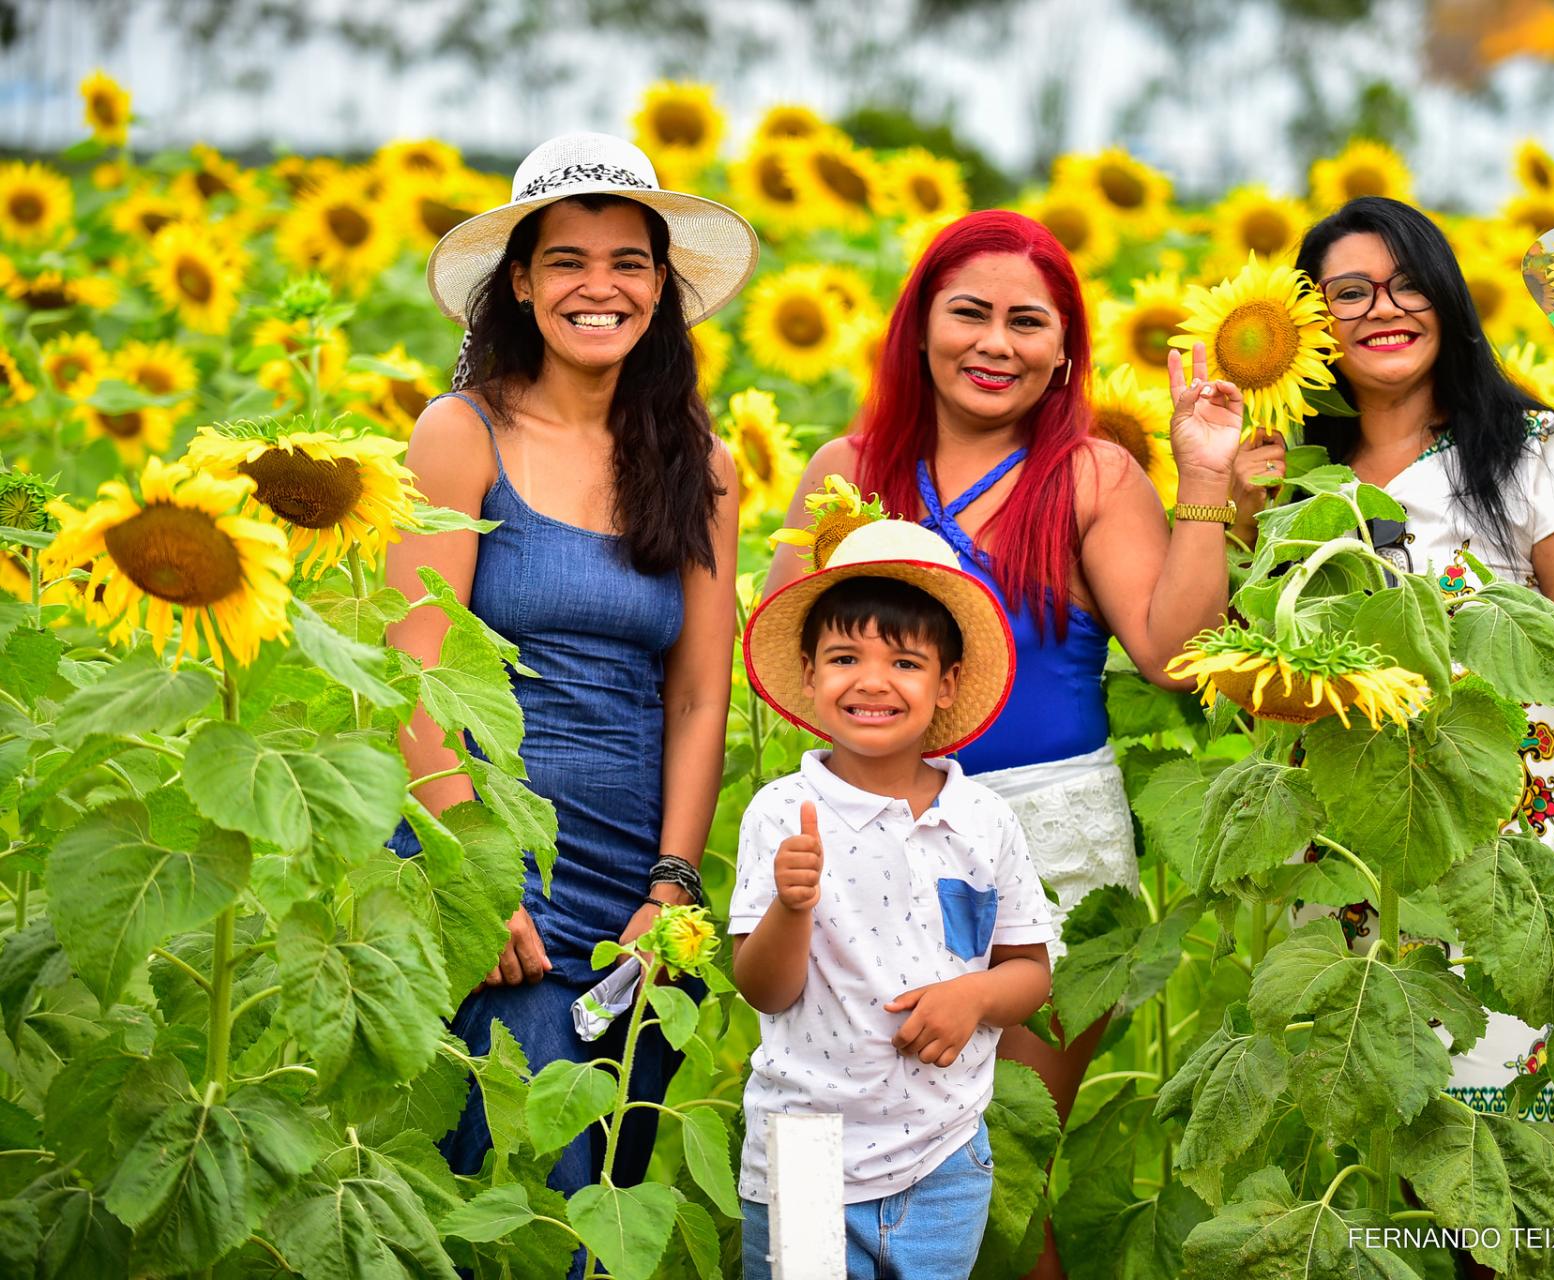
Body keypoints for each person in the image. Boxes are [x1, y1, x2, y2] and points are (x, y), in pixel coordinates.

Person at [763, 213, 1267, 1273]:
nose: (996, 342)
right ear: (919, 326)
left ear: (1065, 349)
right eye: (971, 313)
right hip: (866, 829)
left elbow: (1178, 655)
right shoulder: (848, 467)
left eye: (1027, 322)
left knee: (996, 1165)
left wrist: (1205, 478)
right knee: (834, 1117)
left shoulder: (1089, 475)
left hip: (1042, 844)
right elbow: (787, 665)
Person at [386, 133, 757, 1214]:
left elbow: (697, 692)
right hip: (493, 855)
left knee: (610, 1186)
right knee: (511, 1187)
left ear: (662, 284)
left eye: (628, 262)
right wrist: (472, 869)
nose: (601, 287)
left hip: (635, 883)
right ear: (520, 281)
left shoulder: (701, 463)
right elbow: (417, 666)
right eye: (568, 261)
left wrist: (675, 882)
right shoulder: (462, 434)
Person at [1275, 195, 1554, 1127]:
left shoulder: (1525, 448)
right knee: (1361, 1115)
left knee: (1490, 1144)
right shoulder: (1291, 468)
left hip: (1503, 835)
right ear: (1307, 320)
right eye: (1350, 292)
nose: (1384, 307)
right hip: (1346, 835)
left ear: (1449, 300)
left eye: (1409, 284)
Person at [731, 517, 1054, 1280]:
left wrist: (974, 997)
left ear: (945, 684)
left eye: (904, 662)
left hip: (944, 1150)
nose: (871, 681)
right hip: (805, 1145)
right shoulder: (783, 813)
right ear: (809, 675)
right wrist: (790, 906)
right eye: (845, 657)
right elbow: (764, 988)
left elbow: (1030, 970)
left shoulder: (983, 819)